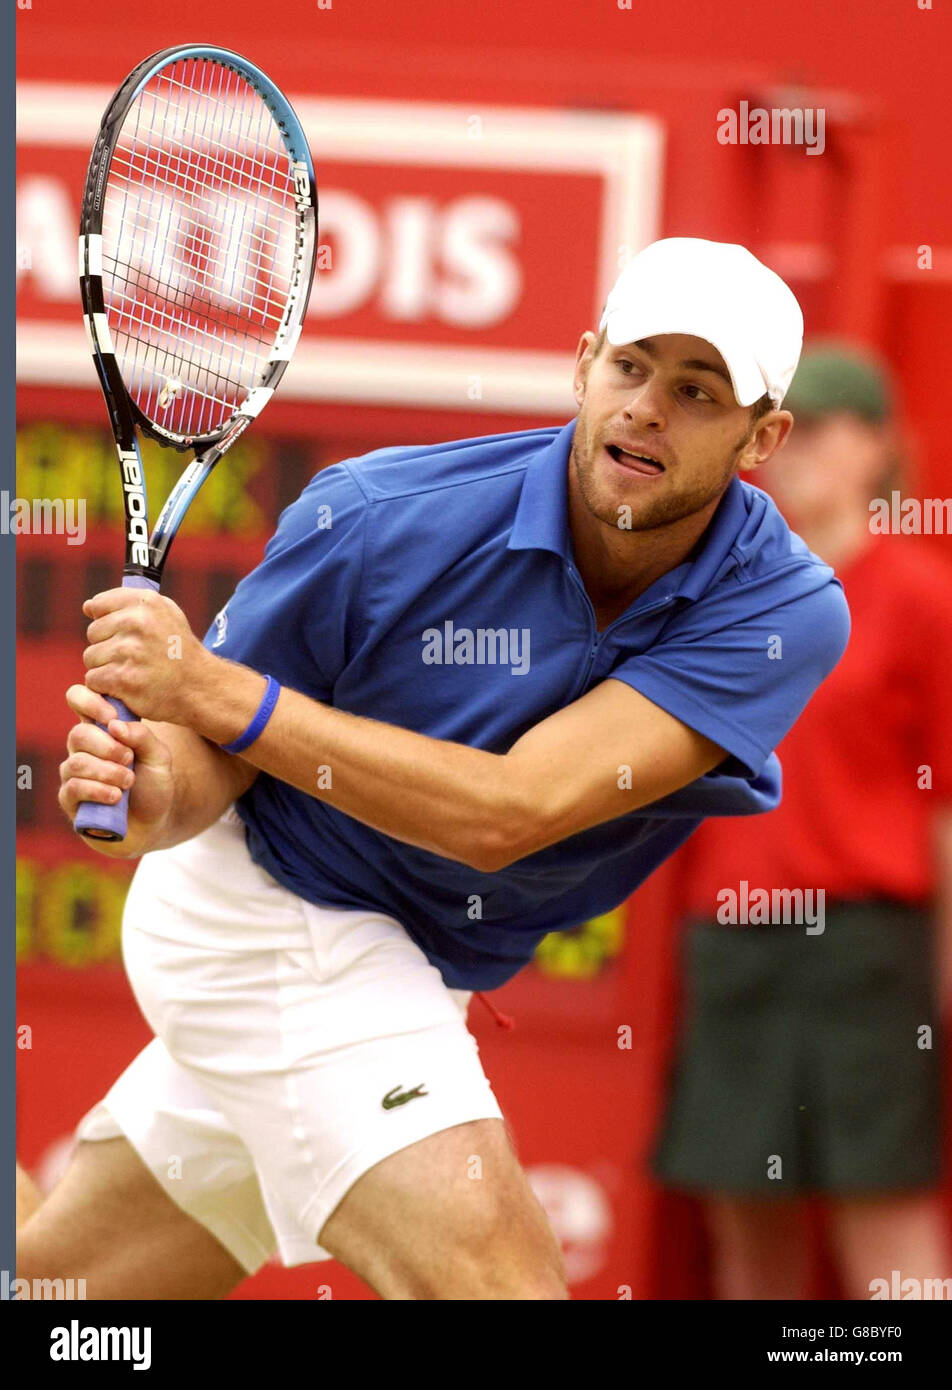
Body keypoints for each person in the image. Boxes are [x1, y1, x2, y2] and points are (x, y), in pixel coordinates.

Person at [19, 238, 849, 1301]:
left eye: (698, 391)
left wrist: (214, 690)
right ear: (583, 363)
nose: (647, 407)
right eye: (631, 367)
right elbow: (199, 770)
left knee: (64, 1295)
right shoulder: (374, 515)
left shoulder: (781, 608)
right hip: (267, 908)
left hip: (411, 961)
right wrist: (144, 787)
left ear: (760, 438)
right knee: (498, 1281)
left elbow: (513, 812)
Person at [652, 345, 952, 1300]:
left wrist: (941, 982)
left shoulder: (921, 601)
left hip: (867, 953)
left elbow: (947, 807)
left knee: (886, 1216)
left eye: (825, 431)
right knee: (747, 1220)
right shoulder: (732, 592)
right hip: (735, 944)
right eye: (788, 433)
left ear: (878, 449)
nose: (799, 455)